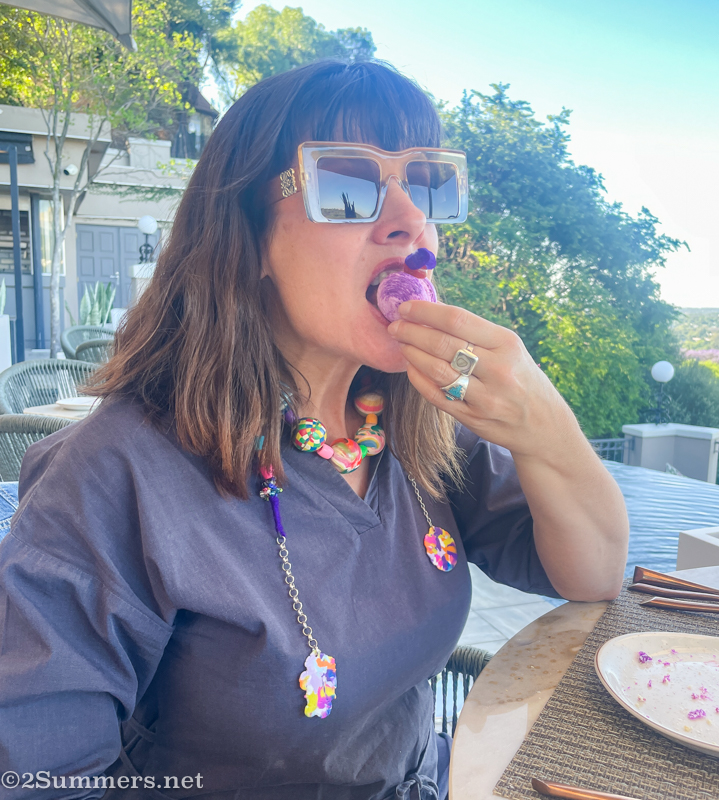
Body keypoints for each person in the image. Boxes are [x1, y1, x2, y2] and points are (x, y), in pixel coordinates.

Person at [0, 59, 629, 800]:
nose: (409, 220)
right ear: (247, 233)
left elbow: (588, 575)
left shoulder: (416, 421)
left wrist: (543, 422)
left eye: (425, 182)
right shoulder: (112, 474)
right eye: (348, 185)